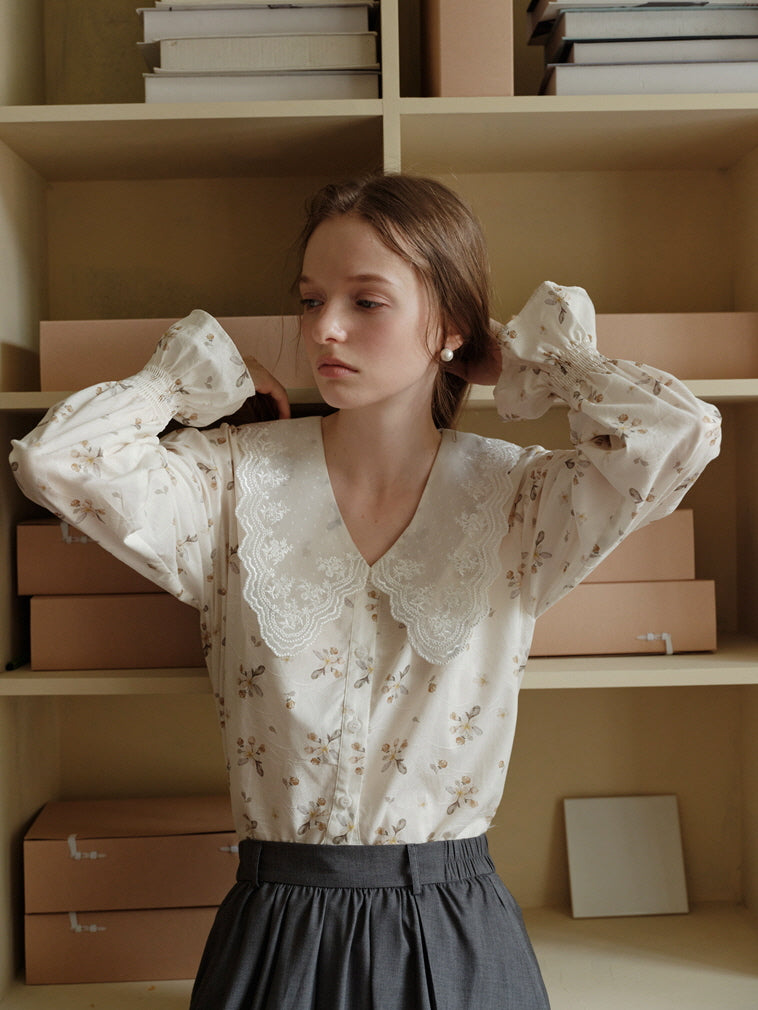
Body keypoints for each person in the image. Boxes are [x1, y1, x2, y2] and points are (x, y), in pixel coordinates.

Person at [10, 173, 721, 1009]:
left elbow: (679, 435)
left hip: (453, 929)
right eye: (311, 301)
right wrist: (179, 385)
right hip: (274, 929)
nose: (327, 329)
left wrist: (545, 359)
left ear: (448, 323)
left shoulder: (524, 501)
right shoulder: (226, 484)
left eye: (367, 302)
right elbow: (52, 460)